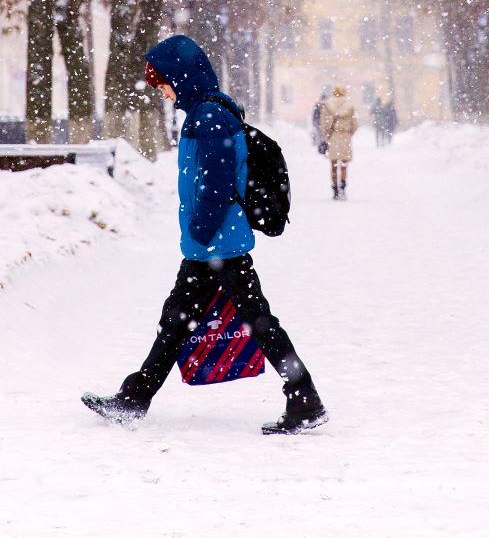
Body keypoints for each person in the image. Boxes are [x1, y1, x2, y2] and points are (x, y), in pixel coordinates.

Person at [82, 34, 327, 435]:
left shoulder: (210, 117)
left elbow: (216, 181)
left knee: (254, 321)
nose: (160, 90)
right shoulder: (202, 113)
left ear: (180, 77)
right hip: (210, 244)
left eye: (162, 82)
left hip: (219, 243)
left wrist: (201, 226)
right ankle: (135, 396)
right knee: (177, 319)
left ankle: (305, 397)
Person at [320, 84, 357, 199]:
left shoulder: (327, 105)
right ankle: (343, 186)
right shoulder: (349, 106)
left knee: (334, 165)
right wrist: (348, 133)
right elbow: (355, 124)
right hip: (345, 137)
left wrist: (327, 135)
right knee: (344, 164)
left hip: (333, 137)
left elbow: (324, 124)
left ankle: (335, 189)